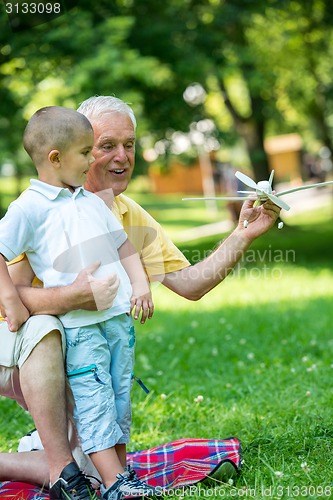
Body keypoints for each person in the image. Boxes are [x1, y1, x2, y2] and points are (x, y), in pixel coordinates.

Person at [0, 96, 280, 493]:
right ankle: (53, 458)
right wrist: (71, 297)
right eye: (105, 145)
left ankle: (62, 451)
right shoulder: (42, 210)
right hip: (19, 347)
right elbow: (9, 295)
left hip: (74, 351)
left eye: (129, 145)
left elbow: (190, 284)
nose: (122, 156)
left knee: (99, 471)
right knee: (48, 326)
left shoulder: (124, 213)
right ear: (64, 154)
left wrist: (243, 233)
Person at [0, 106, 156, 500]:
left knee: (119, 396)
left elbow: (123, 244)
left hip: (118, 320)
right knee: (94, 397)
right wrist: (10, 301)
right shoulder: (29, 207)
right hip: (80, 327)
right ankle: (114, 481)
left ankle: (119, 477)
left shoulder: (90, 201)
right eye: (86, 153)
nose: (91, 162)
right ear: (55, 158)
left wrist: (140, 285)